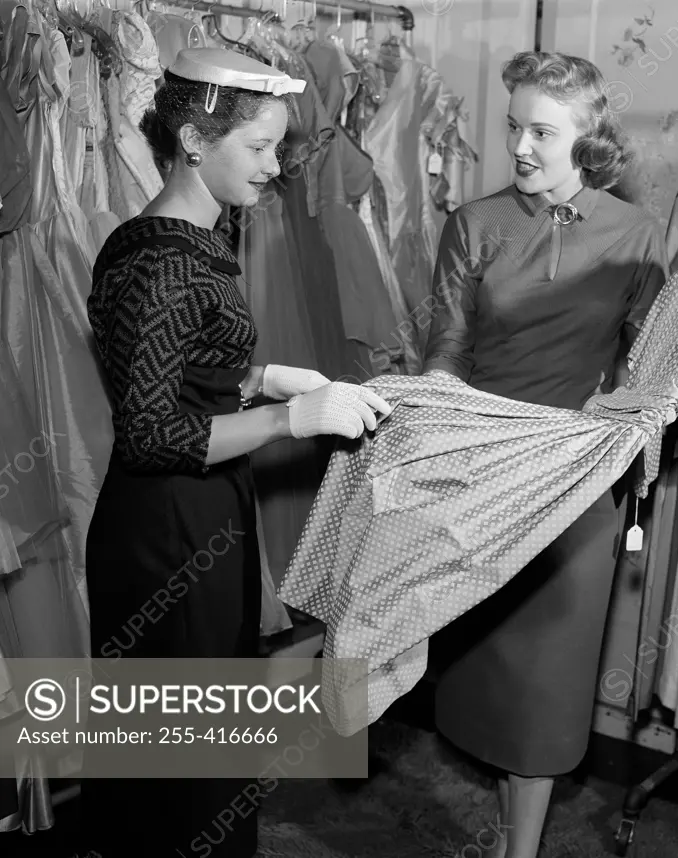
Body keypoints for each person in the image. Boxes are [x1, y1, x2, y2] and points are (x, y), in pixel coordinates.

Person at [79, 48, 391, 858]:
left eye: (279, 147)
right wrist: (295, 421)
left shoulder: (184, 238)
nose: (275, 166)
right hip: (169, 526)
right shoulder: (165, 259)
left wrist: (258, 380)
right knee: (184, 766)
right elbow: (152, 435)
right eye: (258, 148)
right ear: (191, 140)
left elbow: (178, 373)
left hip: (192, 509)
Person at [424, 51, 668, 858]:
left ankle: (519, 852)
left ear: (587, 138)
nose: (520, 147)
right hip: (481, 479)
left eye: (541, 131)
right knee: (492, 680)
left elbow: (648, 361)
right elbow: (447, 353)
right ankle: (508, 833)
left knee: (545, 685)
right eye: (513, 127)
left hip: (576, 490)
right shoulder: (474, 224)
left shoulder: (635, 234)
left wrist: (630, 410)